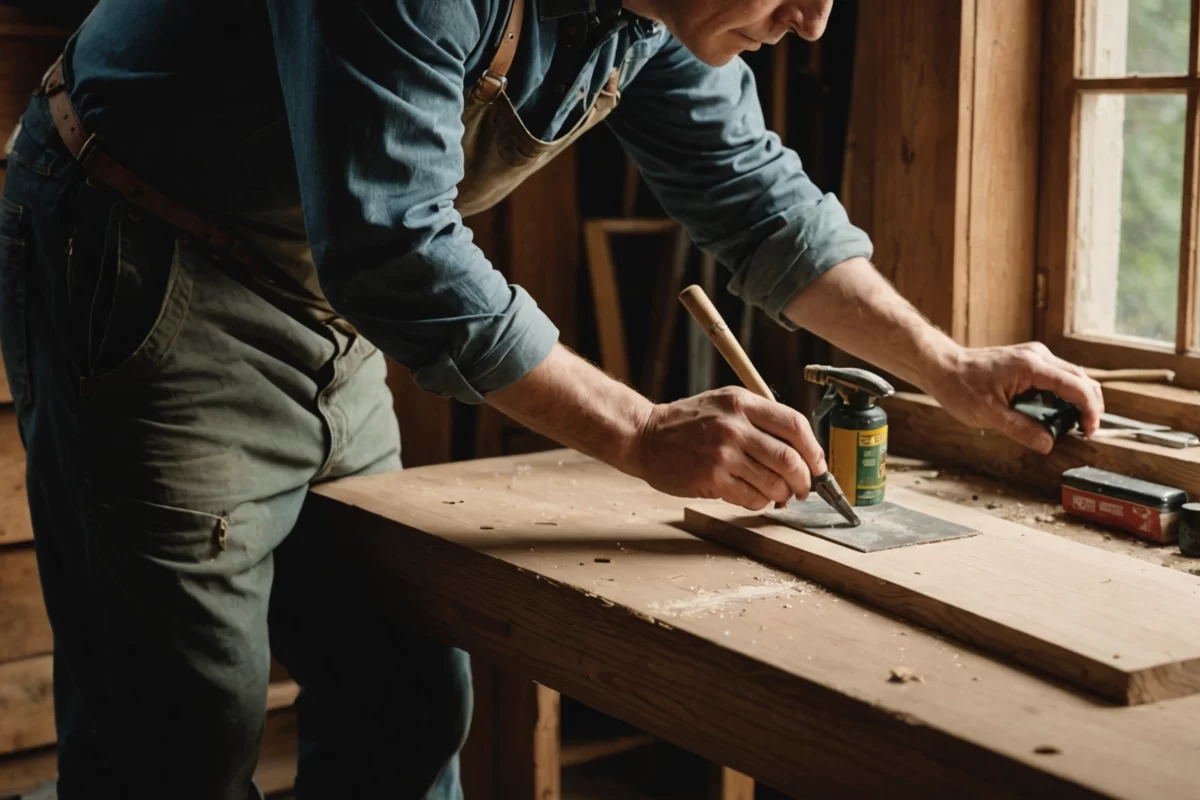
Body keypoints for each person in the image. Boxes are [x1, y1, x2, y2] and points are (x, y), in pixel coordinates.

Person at [0, 0, 1104, 796]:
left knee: (404, 694)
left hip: (320, 288)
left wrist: (947, 366)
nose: (813, 21)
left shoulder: (653, 19)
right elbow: (396, 245)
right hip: (142, 245)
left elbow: (755, 197)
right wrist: (639, 428)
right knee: (181, 734)